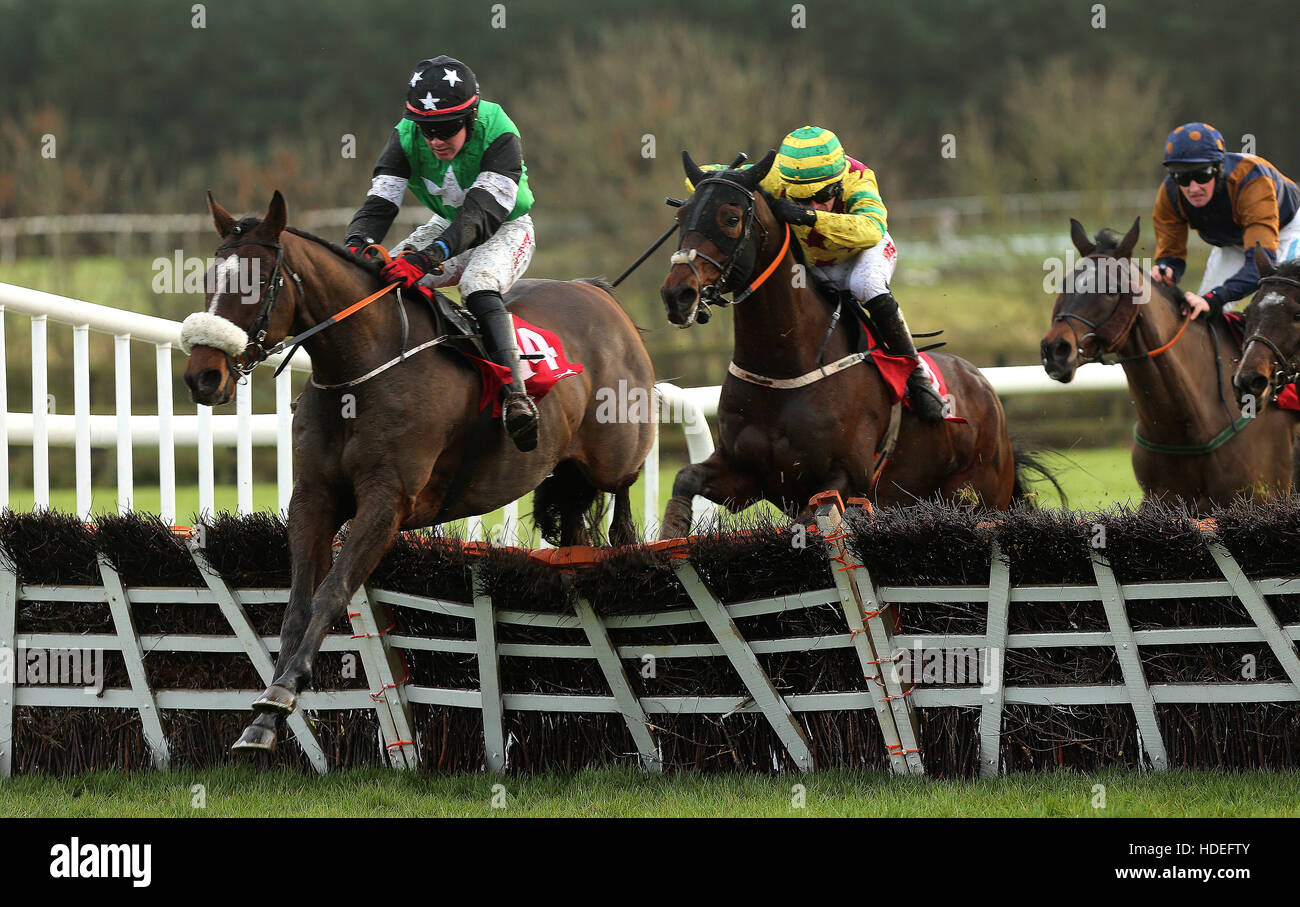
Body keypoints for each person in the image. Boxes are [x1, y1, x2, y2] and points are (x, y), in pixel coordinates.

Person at [344, 55, 540, 451]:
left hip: (504, 227)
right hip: (445, 226)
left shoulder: (499, 131)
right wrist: (356, 245)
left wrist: (426, 258)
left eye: (447, 129)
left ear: (470, 118)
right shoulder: (404, 136)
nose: (435, 141)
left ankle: (516, 395)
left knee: (477, 283)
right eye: (427, 130)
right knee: (373, 280)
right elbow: (379, 205)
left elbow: (480, 216)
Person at [691, 126, 944, 422]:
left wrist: (806, 216)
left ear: (838, 181)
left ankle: (917, 378)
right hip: (811, 264)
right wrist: (703, 185)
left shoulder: (859, 178)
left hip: (861, 254)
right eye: (800, 198)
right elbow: (712, 174)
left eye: (823, 195)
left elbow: (871, 229)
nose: (813, 203)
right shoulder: (774, 174)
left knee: (867, 286)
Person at [1150, 122, 1300, 319]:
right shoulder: (1170, 193)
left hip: (1287, 230)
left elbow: (1261, 265)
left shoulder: (1252, 181)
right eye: (1182, 177)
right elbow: (1171, 255)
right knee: (1199, 312)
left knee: (1276, 312)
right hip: (1236, 242)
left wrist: (1216, 298)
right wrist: (1166, 269)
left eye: (1202, 174)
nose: (1193, 188)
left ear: (1218, 169)